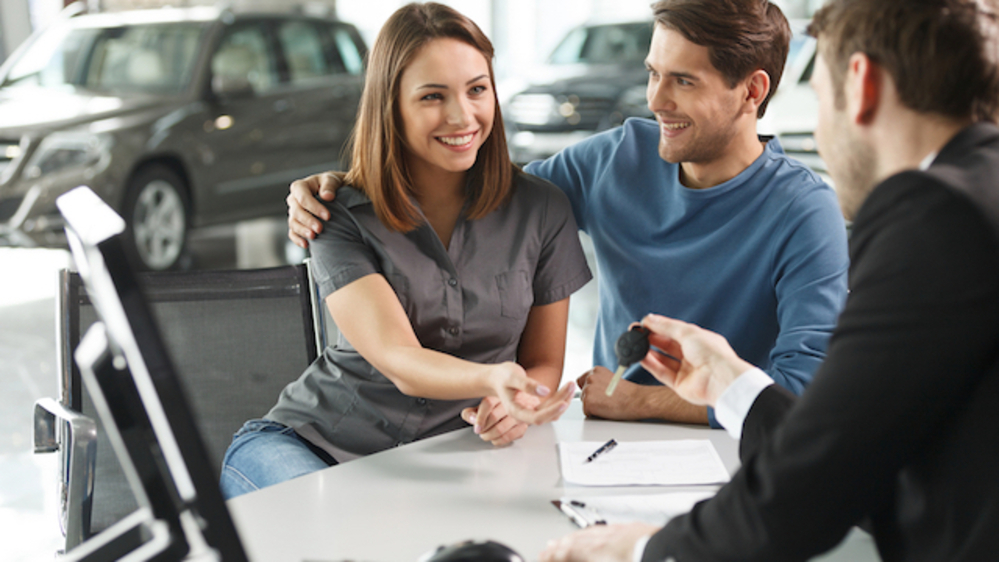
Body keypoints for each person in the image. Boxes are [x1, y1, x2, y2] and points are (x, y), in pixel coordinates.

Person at [541, 0, 999, 560]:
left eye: (820, 98)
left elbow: (821, 477)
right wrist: (729, 383)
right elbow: (850, 435)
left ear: (861, 83)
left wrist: (646, 549)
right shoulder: (979, 195)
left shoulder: (934, 218)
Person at [285, 0, 850, 436]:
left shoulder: (805, 211)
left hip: (735, 452)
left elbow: (802, 392)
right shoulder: (613, 159)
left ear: (752, 91)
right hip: (609, 448)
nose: (656, 99)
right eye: (655, 73)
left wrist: (642, 402)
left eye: (683, 81)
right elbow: (481, 191)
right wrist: (339, 188)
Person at [219, 3, 592, 499]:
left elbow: (543, 361)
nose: (463, 115)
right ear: (390, 105)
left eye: (477, 89)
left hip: (447, 458)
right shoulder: (338, 213)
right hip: (310, 447)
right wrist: (496, 377)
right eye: (433, 96)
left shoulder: (541, 209)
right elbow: (398, 358)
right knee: (340, 536)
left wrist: (517, 404)